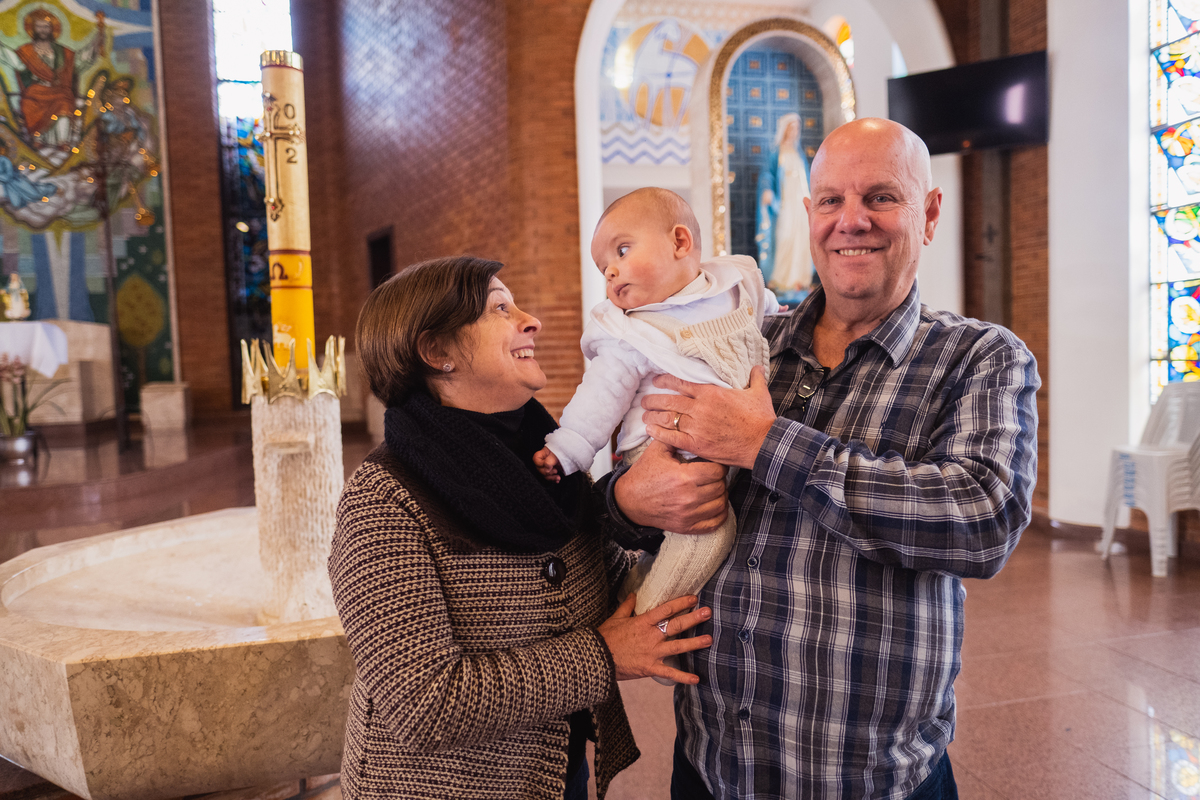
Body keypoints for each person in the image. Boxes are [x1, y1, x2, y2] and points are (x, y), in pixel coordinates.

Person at [608, 118, 1040, 799]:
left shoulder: (978, 357)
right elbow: (640, 470)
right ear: (807, 216)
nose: (853, 221)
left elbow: (982, 520)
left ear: (928, 214)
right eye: (832, 201)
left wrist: (763, 444)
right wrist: (628, 500)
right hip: (713, 765)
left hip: (870, 778)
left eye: (881, 198)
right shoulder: (741, 343)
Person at [329, 255, 716, 800]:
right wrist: (603, 657)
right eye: (500, 308)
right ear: (438, 351)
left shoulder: (545, 464)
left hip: (556, 774)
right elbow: (419, 705)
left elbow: (603, 583)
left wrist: (646, 509)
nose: (531, 320)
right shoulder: (385, 500)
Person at [534, 187, 780, 626]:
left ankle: (633, 590)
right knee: (708, 535)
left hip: (731, 445)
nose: (610, 271)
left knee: (696, 540)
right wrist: (567, 447)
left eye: (622, 250)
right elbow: (599, 397)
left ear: (680, 243)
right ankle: (651, 627)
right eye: (602, 267)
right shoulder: (631, 334)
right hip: (659, 450)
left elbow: (768, 323)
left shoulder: (736, 286)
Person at [756, 112, 813, 296]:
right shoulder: (776, 152)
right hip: (785, 204)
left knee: (802, 238)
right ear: (785, 130)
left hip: (801, 203)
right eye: (792, 128)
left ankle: (799, 280)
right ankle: (780, 280)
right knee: (785, 237)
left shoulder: (799, 153)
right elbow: (767, 174)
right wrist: (767, 189)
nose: (795, 131)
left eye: (798, 128)